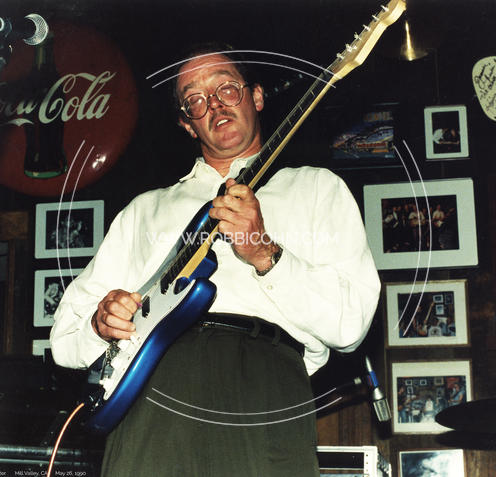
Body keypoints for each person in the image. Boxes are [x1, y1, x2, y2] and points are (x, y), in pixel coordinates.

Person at [50, 44, 380, 477]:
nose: (216, 105)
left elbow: (351, 326)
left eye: (227, 88)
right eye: (196, 99)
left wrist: (264, 252)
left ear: (256, 97)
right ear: (187, 124)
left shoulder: (318, 189)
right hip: (152, 389)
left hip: (265, 384)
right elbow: (64, 340)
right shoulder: (144, 211)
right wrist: (100, 322)